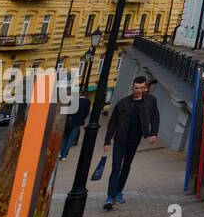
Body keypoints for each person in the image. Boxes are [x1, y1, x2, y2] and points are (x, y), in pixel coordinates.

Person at [102, 75, 158, 209]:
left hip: (134, 141)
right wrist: (107, 141)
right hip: (120, 140)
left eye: (141, 88)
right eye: (136, 88)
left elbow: (155, 117)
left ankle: (118, 192)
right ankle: (110, 197)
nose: (138, 90)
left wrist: (153, 134)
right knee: (116, 168)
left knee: (126, 167)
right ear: (132, 87)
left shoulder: (150, 101)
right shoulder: (123, 103)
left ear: (145, 88)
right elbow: (113, 122)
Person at [59, 85, 94, 160]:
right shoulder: (87, 101)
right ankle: (64, 155)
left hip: (69, 121)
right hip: (77, 122)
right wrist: (82, 119)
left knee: (65, 137)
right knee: (71, 139)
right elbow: (86, 113)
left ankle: (60, 153)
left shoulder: (74, 100)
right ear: (87, 95)